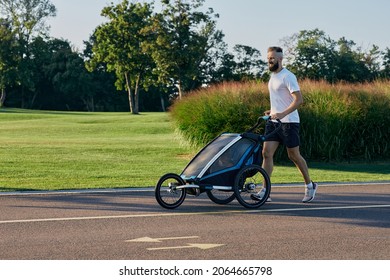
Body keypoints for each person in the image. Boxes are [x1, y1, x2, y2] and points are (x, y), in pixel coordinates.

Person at [251, 46, 318, 203]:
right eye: (268, 58)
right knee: (266, 153)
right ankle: (265, 190)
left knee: (293, 155)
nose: (269, 60)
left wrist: (283, 113)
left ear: (280, 59)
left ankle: (310, 186)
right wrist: (273, 111)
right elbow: (280, 99)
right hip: (273, 123)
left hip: (289, 122)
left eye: (272, 58)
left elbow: (299, 100)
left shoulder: (288, 76)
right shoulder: (273, 77)